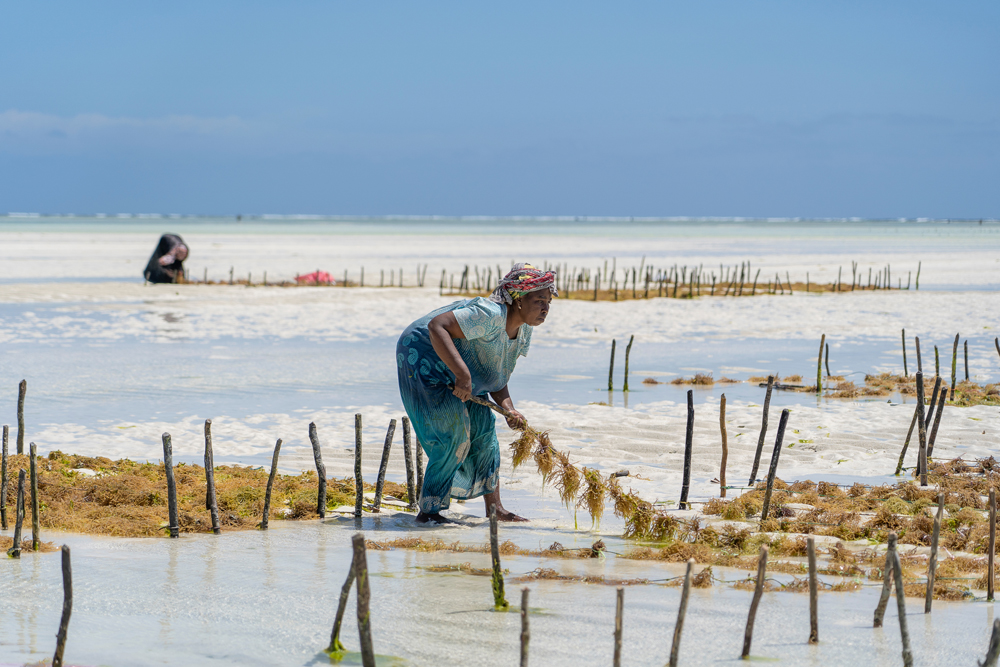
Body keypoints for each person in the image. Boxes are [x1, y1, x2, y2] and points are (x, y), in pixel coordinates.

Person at [396, 263, 556, 524]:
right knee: (454, 434)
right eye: (539, 300)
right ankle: (429, 511)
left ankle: (496, 510)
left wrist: (509, 409)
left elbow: (496, 374)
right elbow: (437, 326)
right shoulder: (489, 314)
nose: (545, 308)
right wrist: (463, 375)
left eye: (548, 302)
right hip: (423, 356)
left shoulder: (524, 330)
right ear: (517, 300)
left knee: (485, 433)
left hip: (461, 367)